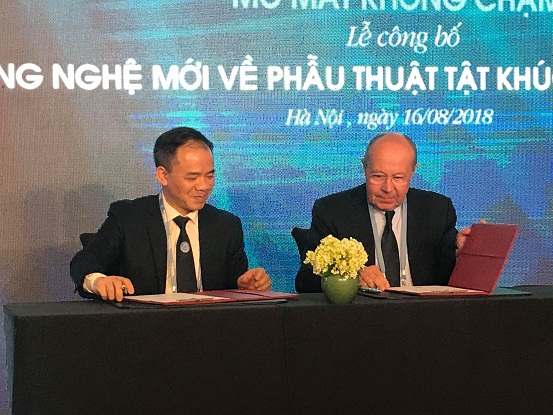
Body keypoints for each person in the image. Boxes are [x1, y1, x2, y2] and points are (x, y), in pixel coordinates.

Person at [71, 127, 271, 301]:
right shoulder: (129, 218)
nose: (204, 186)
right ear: (163, 175)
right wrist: (98, 281)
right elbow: (84, 262)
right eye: (192, 177)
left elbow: (235, 285)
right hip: (144, 326)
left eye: (209, 176)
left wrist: (246, 286)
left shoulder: (226, 225)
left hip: (210, 327)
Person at [295, 132, 471, 293]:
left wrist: (465, 255)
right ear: (365, 168)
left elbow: (449, 279)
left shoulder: (437, 210)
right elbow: (305, 281)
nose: (387, 188)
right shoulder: (332, 210)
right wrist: (351, 276)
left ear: (413, 171)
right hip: (363, 313)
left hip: (424, 312)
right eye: (378, 176)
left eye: (398, 178)